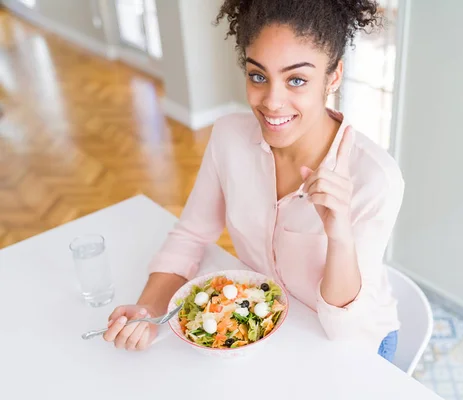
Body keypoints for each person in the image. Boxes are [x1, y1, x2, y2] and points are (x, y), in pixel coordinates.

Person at [103, 0, 404, 362]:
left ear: (333, 76)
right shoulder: (229, 137)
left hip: (357, 344)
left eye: (296, 80)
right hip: (275, 328)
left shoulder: (375, 178)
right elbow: (191, 235)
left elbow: (344, 331)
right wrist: (149, 310)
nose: (272, 102)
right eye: (258, 76)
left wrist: (339, 234)